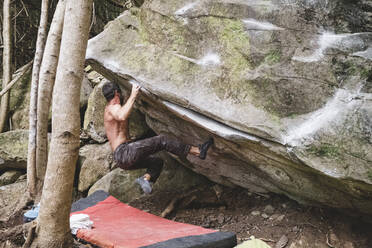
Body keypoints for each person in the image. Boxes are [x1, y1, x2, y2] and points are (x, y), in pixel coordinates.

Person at [102, 81, 214, 194]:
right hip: (124, 153)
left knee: (157, 162)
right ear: (117, 92)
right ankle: (197, 151)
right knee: (163, 140)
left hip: (123, 157)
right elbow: (121, 116)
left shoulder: (116, 107)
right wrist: (133, 94)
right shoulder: (112, 108)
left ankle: (145, 179)